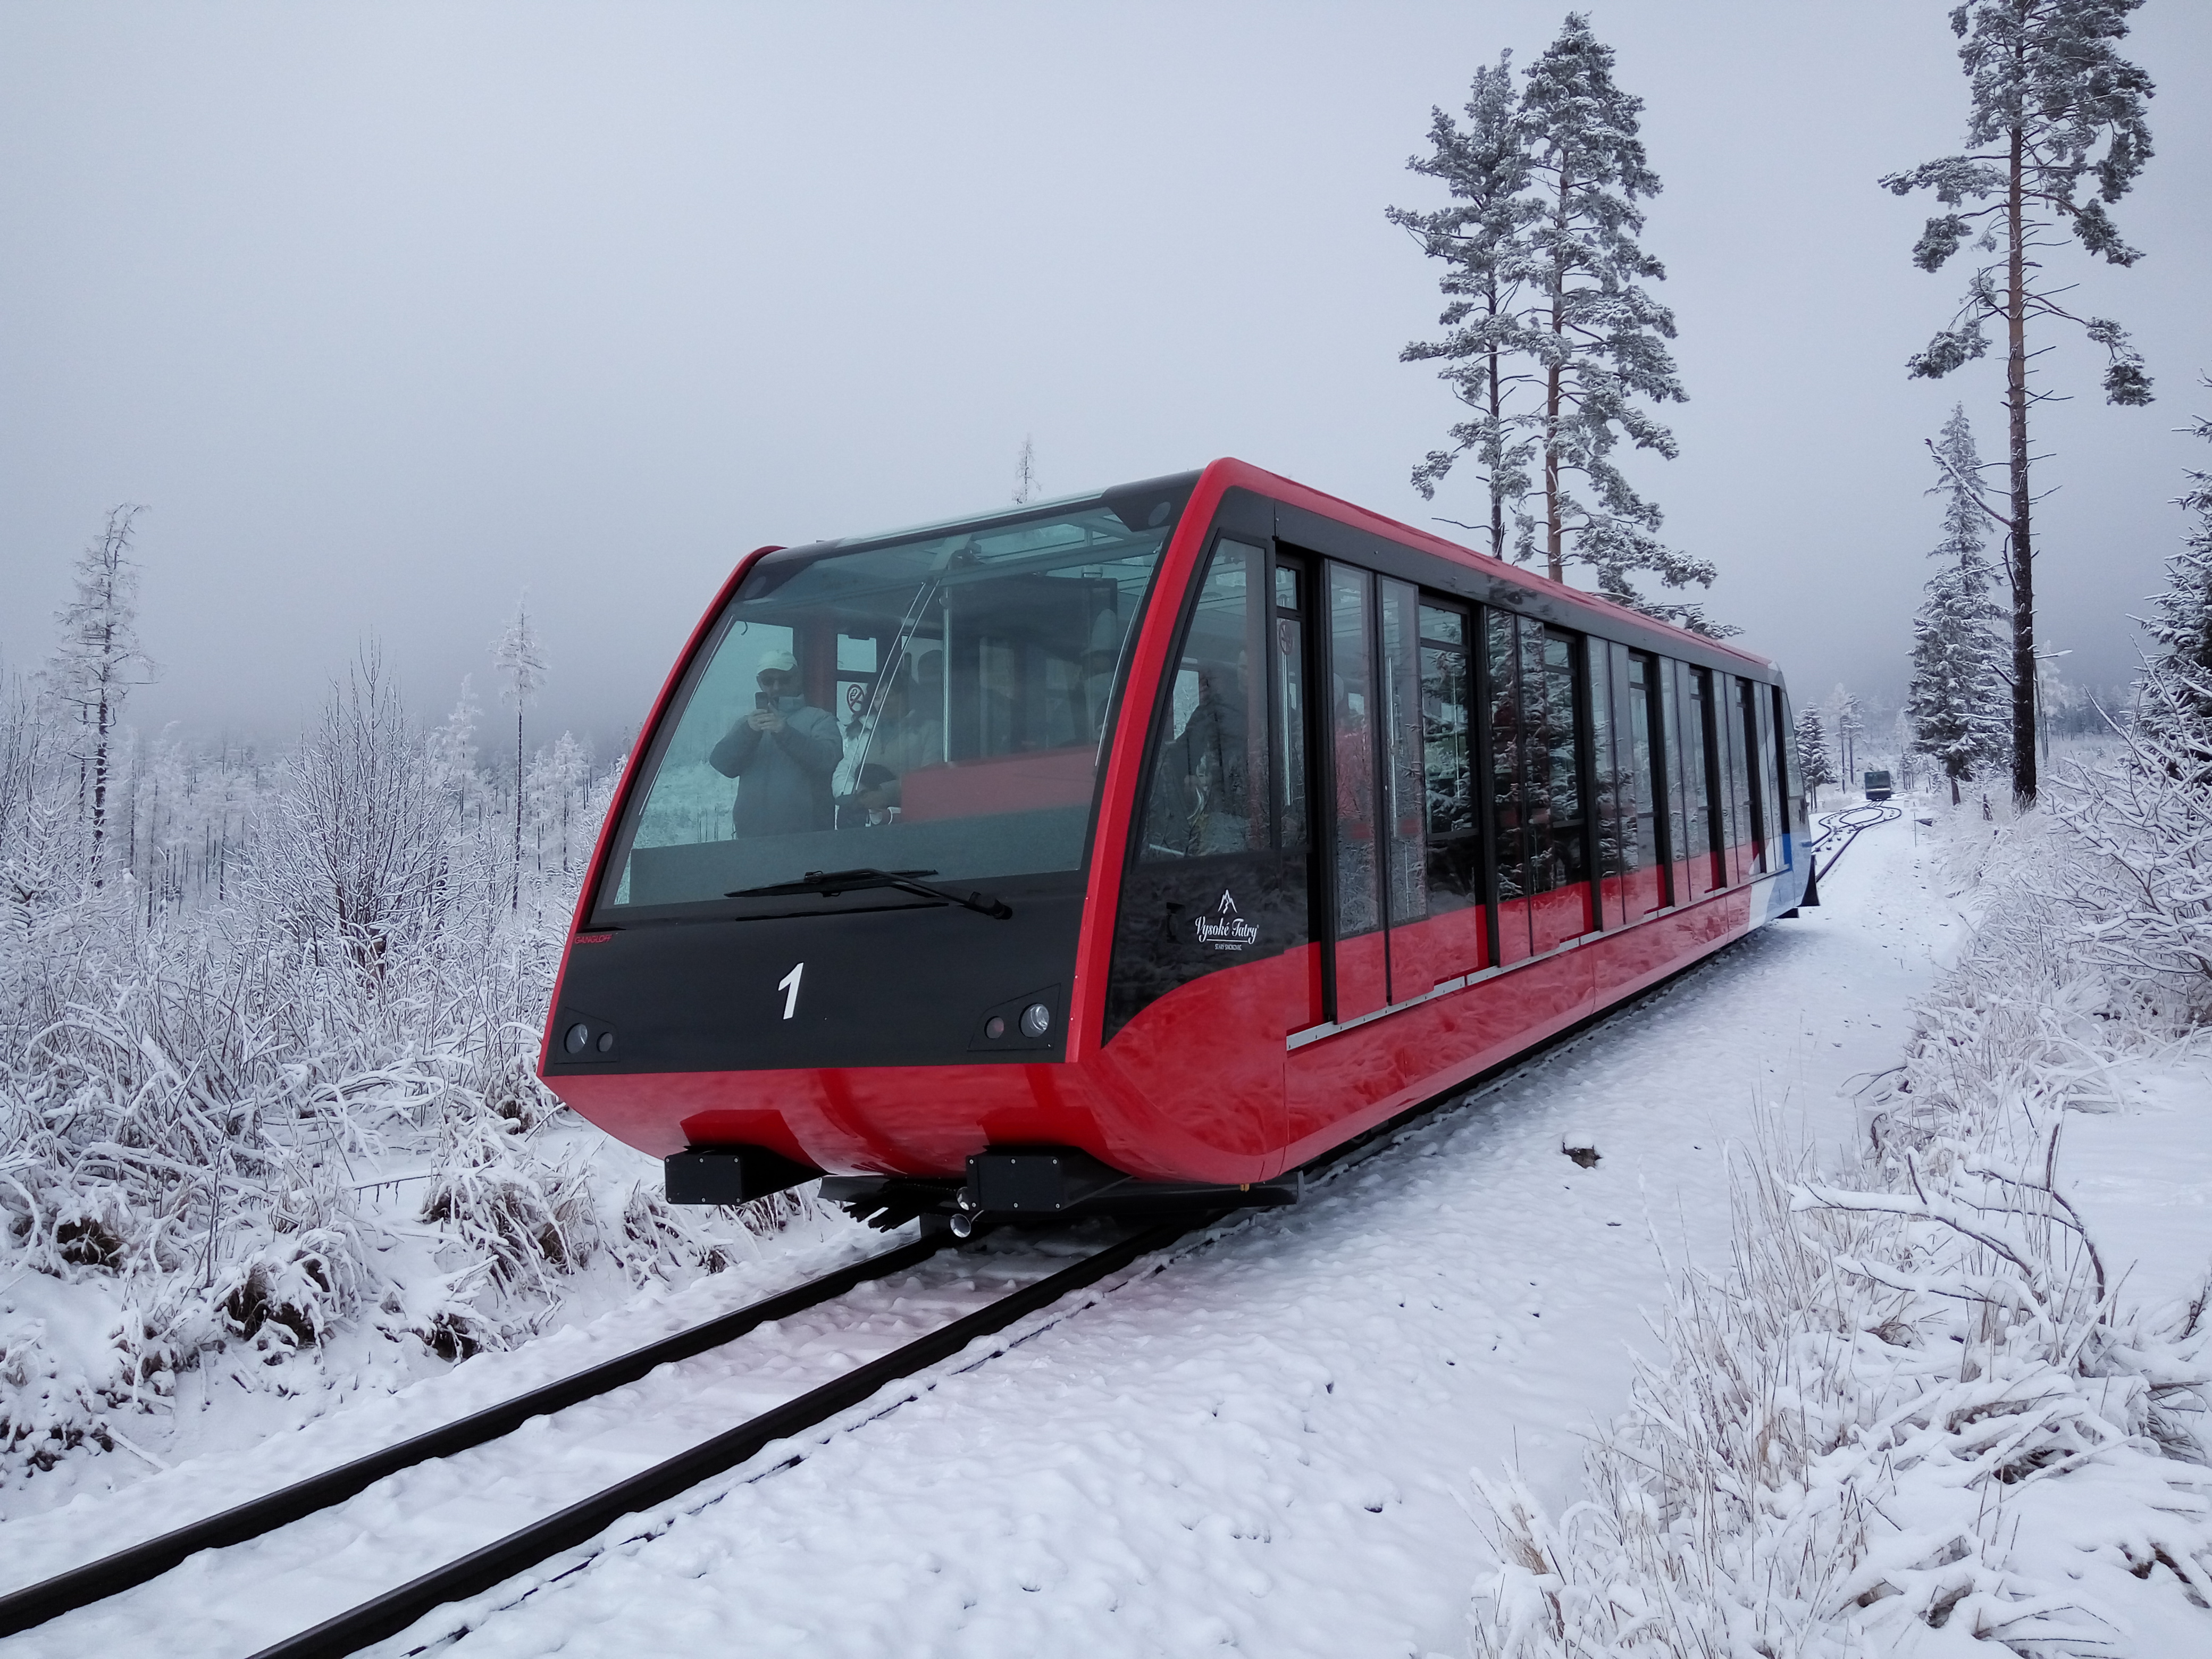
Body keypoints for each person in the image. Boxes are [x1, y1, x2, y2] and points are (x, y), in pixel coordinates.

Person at [708, 649, 842, 835]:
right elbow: (721, 764)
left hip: (807, 835)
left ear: (798, 679)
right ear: (759, 683)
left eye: (785, 680)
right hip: (751, 835)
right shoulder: (748, 724)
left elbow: (828, 760)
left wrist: (784, 732)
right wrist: (748, 732)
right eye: (769, 681)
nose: (777, 687)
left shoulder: (820, 719)